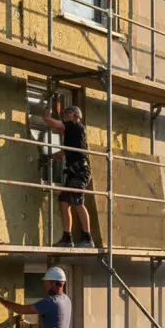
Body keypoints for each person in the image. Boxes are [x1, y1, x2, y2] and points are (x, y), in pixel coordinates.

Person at [42, 105, 94, 248]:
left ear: (76, 116)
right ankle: (67, 237)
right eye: (64, 113)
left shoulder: (75, 126)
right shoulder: (72, 134)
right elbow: (64, 152)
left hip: (80, 171)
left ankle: (87, 237)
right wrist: (50, 157)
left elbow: (52, 123)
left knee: (77, 201)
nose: (65, 115)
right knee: (64, 202)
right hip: (73, 172)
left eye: (68, 113)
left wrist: (47, 115)